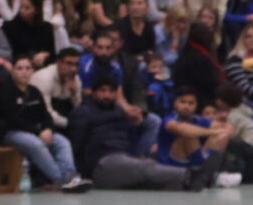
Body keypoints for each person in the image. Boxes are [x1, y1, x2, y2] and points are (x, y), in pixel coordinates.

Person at [68, 70, 224, 190]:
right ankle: (192, 175)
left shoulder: (119, 111)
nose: (107, 95)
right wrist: (83, 175)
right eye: (102, 91)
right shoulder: (83, 113)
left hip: (124, 158)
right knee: (145, 168)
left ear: (117, 93)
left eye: (110, 91)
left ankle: (194, 180)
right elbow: (76, 146)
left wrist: (136, 123)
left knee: (149, 171)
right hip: (102, 164)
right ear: (93, 92)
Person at [0, 54, 88, 191]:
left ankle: (70, 177)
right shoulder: (4, 92)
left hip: (37, 131)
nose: (24, 72)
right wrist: (38, 132)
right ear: (12, 71)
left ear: (32, 71)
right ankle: (60, 180)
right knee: (36, 144)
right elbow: (12, 120)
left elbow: (45, 114)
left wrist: (48, 129)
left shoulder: (34, 91)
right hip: (11, 132)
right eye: (19, 68)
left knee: (62, 142)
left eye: (27, 68)